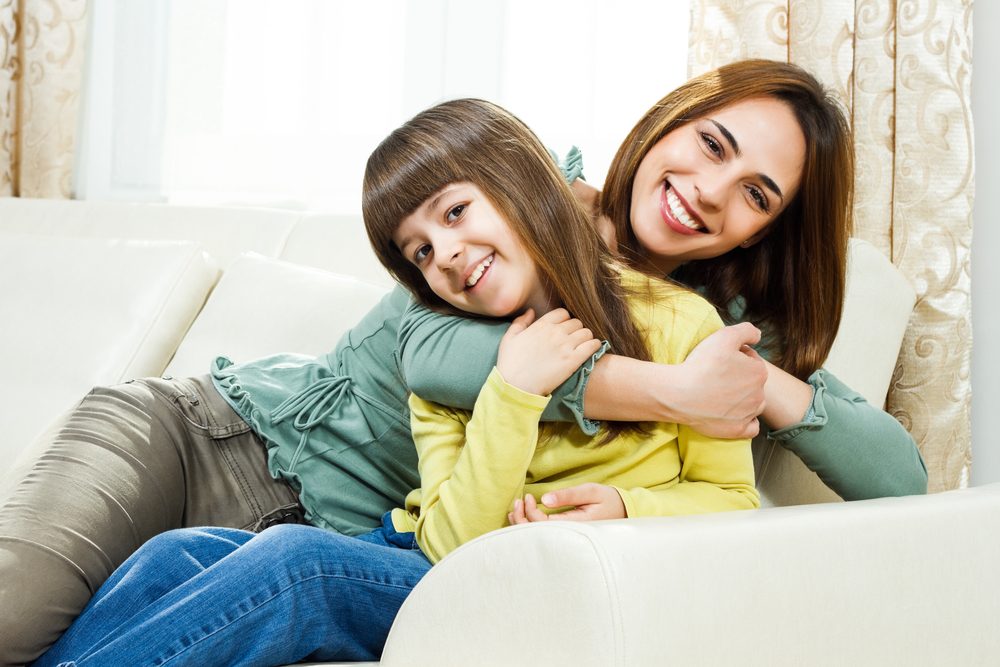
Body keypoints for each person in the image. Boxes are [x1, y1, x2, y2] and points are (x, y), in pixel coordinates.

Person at [34, 98, 759, 666]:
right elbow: (445, 536)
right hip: (419, 552)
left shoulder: (679, 326)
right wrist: (512, 391)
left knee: (298, 563)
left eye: (454, 211)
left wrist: (628, 506)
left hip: (500, 579)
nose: (445, 253)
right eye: (420, 249)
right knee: (171, 555)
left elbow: (734, 497)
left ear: (518, 182)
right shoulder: (449, 349)